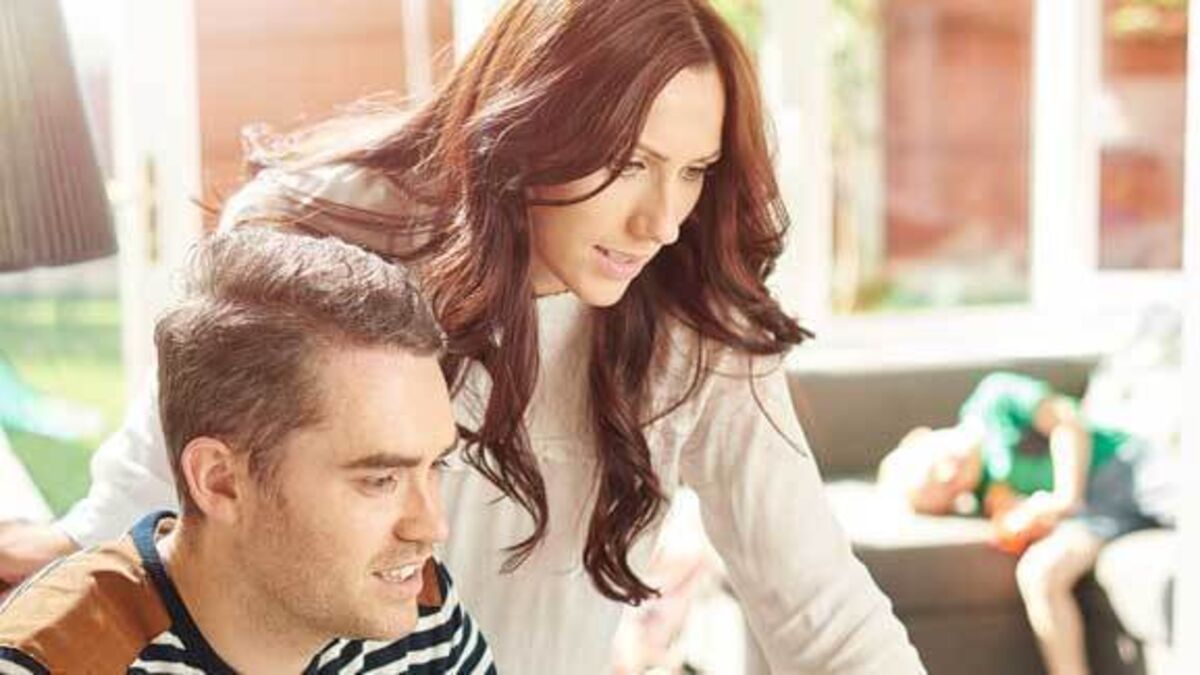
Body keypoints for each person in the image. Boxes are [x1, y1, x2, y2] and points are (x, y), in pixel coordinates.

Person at [0, 1, 924, 672]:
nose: (661, 221)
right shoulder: (323, 232)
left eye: (693, 171)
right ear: (536, 121)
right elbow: (149, 509)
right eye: (628, 162)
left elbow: (828, 621)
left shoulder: (694, 319)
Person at [0, 229, 496, 674]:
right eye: (380, 480)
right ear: (220, 480)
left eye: (436, 464)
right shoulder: (57, 661)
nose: (431, 527)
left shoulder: (420, 615)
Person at [878, 372, 1175, 675]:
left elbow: (1068, 423)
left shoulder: (993, 402)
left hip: (1123, 467)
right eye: (944, 493)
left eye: (931, 470)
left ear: (919, 437)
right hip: (1093, 518)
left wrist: (1065, 496)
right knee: (1038, 574)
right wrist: (1031, 519)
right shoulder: (986, 495)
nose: (947, 476)